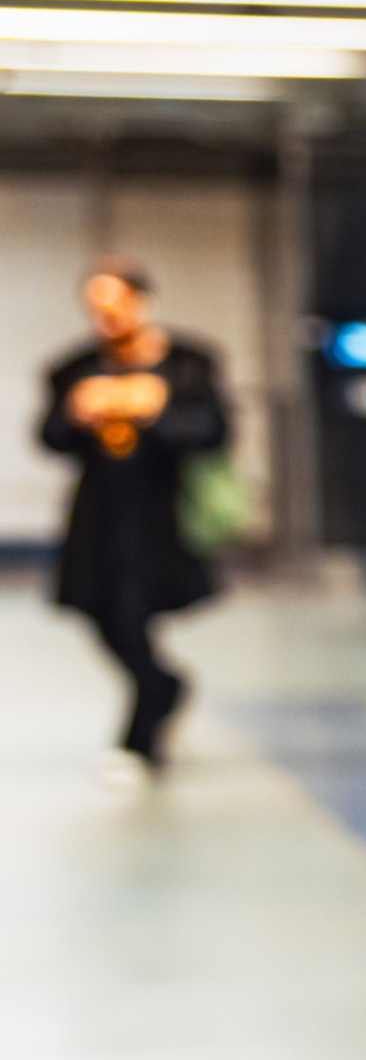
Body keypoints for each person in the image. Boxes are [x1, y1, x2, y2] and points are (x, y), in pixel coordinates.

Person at [37, 258, 232, 775]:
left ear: (142, 303)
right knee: (104, 617)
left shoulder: (189, 362)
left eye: (117, 306)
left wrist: (155, 412)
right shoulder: (75, 368)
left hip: (162, 513)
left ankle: (140, 740)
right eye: (97, 311)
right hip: (100, 512)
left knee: (133, 610)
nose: (108, 320)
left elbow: (213, 433)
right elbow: (49, 437)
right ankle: (163, 686)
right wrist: (78, 414)